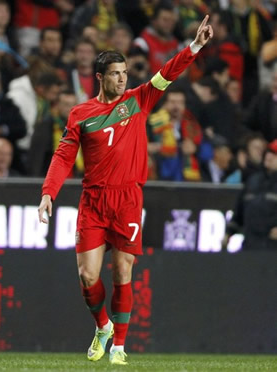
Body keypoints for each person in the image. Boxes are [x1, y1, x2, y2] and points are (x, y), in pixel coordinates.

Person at [37, 16, 213, 366]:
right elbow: (63, 157)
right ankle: (102, 325)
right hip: (94, 199)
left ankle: (118, 346)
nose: (122, 79)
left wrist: (194, 46)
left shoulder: (139, 100)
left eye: (125, 73)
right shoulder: (81, 114)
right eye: (116, 74)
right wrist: (48, 192)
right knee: (87, 276)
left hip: (128, 199)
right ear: (100, 77)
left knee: (123, 271)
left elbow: (170, 71)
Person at [224, 139, 277, 250]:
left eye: (275, 154)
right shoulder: (253, 180)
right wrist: (228, 234)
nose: (269, 156)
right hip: (250, 245)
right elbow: (239, 212)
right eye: (268, 152)